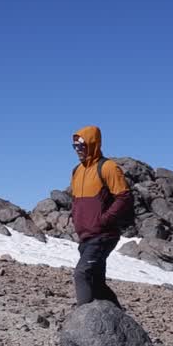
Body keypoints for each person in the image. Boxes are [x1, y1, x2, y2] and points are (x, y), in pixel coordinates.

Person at [69, 125, 133, 307]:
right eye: (75, 147)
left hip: (103, 235)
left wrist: (104, 220)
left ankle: (83, 324)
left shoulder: (108, 167)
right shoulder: (77, 171)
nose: (77, 151)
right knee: (96, 283)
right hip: (86, 235)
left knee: (82, 274)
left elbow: (124, 197)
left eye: (81, 146)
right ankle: (120, 321)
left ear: (92, 144)